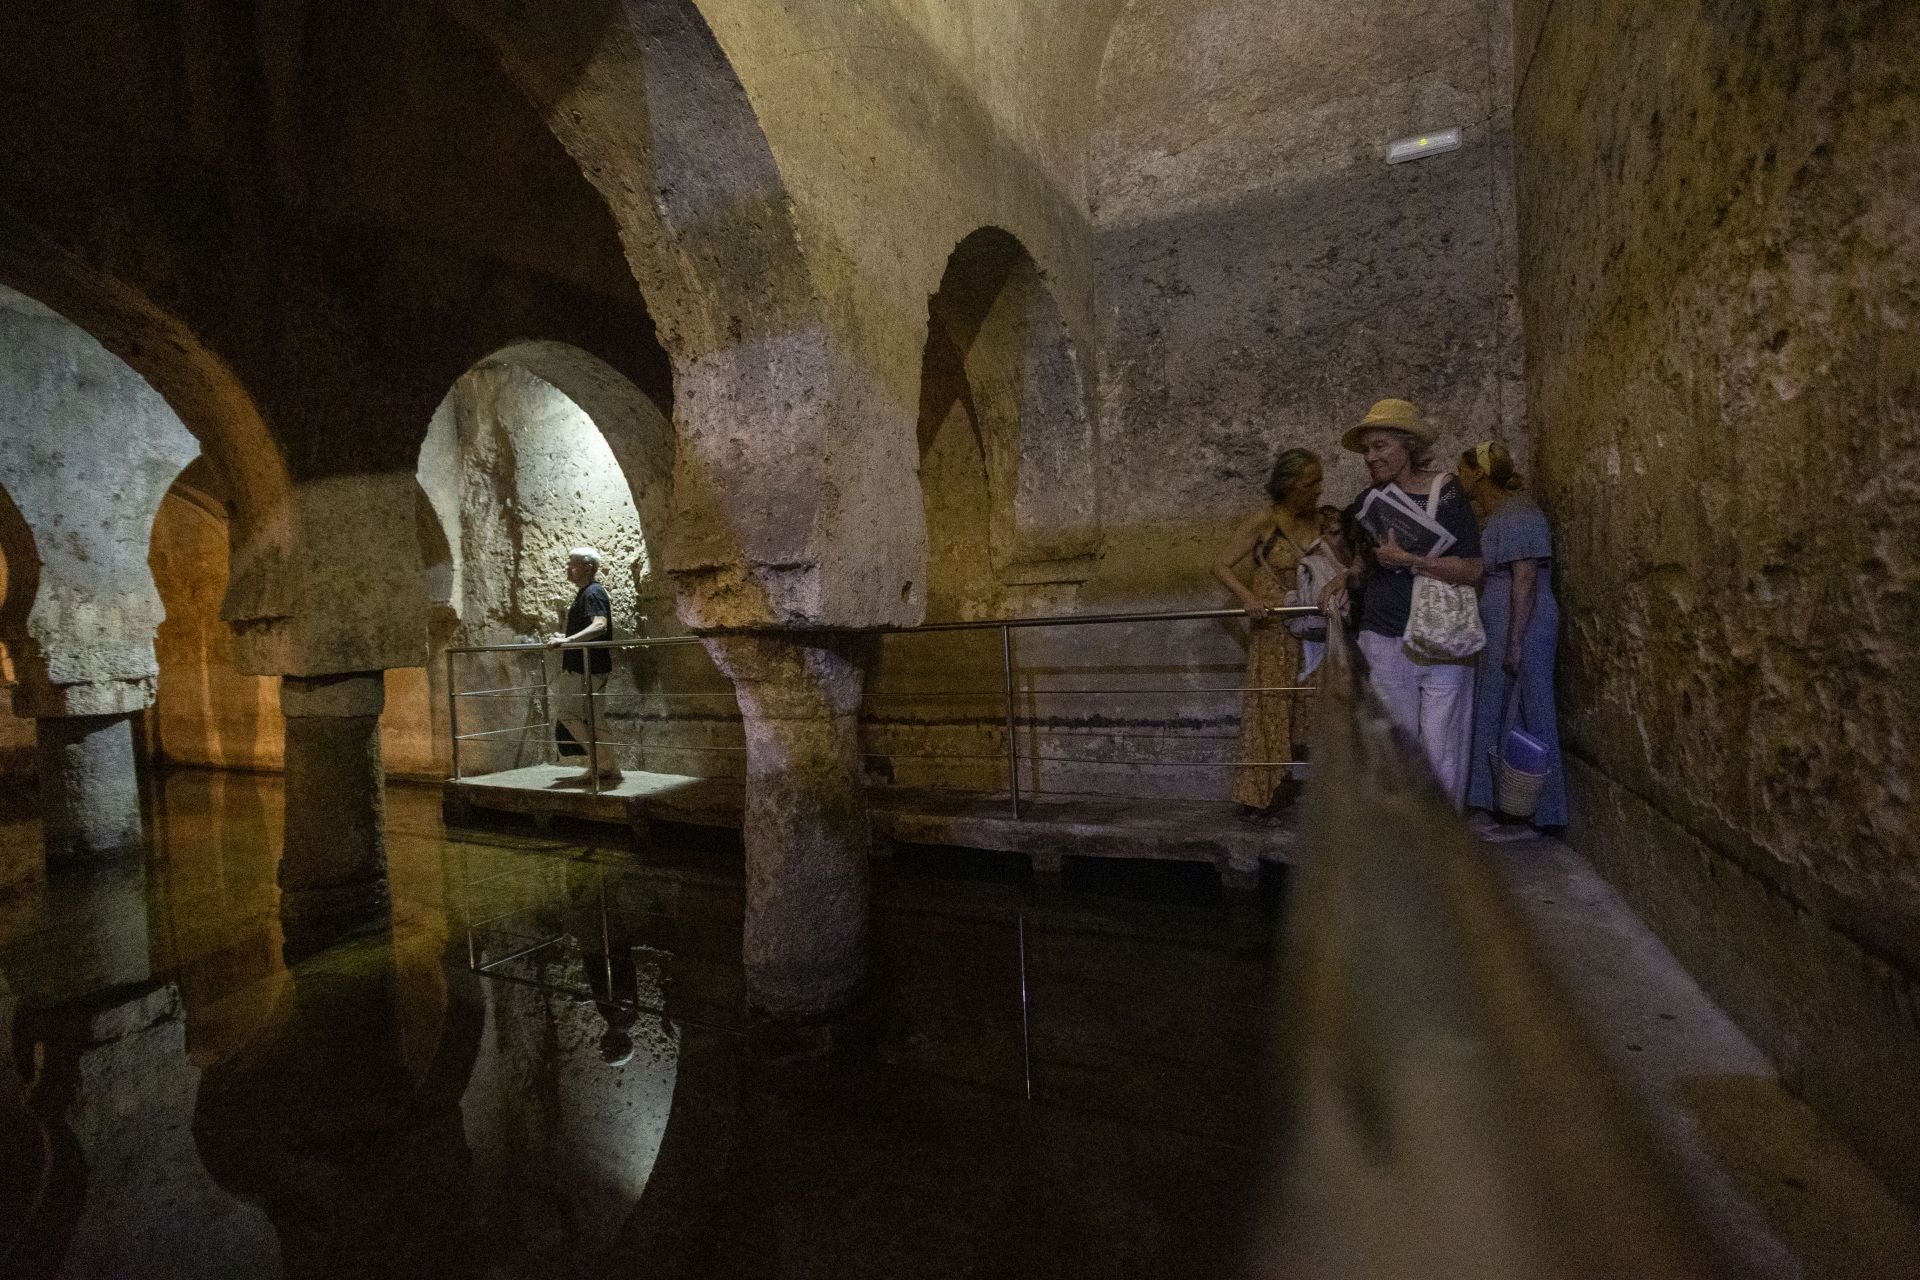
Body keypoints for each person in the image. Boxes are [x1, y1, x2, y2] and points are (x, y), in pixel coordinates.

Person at [1321, 399, 1483, 807]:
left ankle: (1445, 852)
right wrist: (1343, 578)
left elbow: (1473, 569)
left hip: (1443, 637)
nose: (1370, 458)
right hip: (1384, 635)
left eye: (1380, 446)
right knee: (1394, 748)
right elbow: (1363, 564)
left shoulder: (1446, 494)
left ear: (1407, 445)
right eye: (1367, 450)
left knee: (1442, 750)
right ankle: (1410, 848)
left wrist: (1412, 560)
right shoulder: (1364, 505)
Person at [1459, 441, 1566, 836]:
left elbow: (1525, 578)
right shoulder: (1500, 515)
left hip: (1526, 623)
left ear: (1479, 473)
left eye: (1464, 470)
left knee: (1533, 709)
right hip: (1505, 624)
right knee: (1499, 710)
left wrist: (1516, 641)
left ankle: (1542, 813)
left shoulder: (1520, 512)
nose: (1461, 479)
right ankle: (1503, 806)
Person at [1213, 447, 1327, 818]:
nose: (1318, 490)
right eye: (1310, 483)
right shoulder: (1265, 521)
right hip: (1272, 630)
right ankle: (1259, 794)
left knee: (1309, 706)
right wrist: (1246, 596)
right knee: (1269, 706)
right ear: (1290, 484)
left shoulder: (1318, 522)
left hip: (1310, 630)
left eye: (1318, 481)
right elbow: (1220, 565)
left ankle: (1309, 792)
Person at [547, 546, 620, 784]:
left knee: (567, 713)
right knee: (595, 719)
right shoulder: (588, 593)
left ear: (588, 567)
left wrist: (567, 641)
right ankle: (608, 768)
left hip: (585, 667)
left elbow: (600, 625)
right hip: (591, 665)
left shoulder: (592, 592)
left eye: (573, 563)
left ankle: (602, 764)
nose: (568, 568)